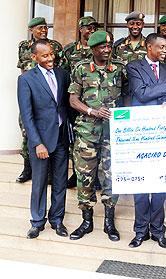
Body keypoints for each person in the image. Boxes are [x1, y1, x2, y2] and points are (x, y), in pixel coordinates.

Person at [126, 33, 166, 249]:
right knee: (141, 183)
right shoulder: (134, 67)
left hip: (164, 135)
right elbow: (141, 94)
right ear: (148, 47)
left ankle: (158, 231)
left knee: (161, 184)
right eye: (160, 47)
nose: (164, 50)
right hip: (141, 134)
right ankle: (140, 231)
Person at [68, 31, 128, 242]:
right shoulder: (81, 69)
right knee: (85, 177)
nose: (106, 49)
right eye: (102, 46)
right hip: (87, 133)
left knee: (111, 176)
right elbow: (73, 100)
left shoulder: (120, 68)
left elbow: (128, 97)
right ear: (93, 49)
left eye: (108, 46)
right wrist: (92, 111)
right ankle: (86, 220)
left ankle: (109, 222)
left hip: (112, 133)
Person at [17, 39, 70, 239]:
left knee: (60, 182)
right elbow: (26, 115)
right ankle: (37, 222)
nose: (50, 58)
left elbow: (65, 105)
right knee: (39, 183)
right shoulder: (26, 79)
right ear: (34, 57)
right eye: (45, 55)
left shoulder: (62, 75)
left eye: (51, 54)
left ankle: (57, 220)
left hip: (61, 138)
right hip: (40, 141)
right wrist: (37, 142)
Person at [16, 17, 65, 184]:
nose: (43, 30)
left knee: (52, 136)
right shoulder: (24, 46)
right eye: (39, 28)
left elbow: (61, 69)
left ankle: (49, 173)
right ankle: (27, 168)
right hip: (30, 92)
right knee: (28, 134)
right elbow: (23, 69)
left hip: (49, 93)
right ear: (32, 30)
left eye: (45, 27)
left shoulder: (55, 46)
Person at [63, 16, 99, 188]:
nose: (91, 30)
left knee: (94, 140)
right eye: (88, 28)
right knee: (75, 140)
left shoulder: (99, 49)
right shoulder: (70, 50)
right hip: (74, 101)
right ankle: (77, 173)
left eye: (94, 28)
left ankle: (96, 175)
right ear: (80, 29)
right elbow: (63, 75)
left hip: (94, 101)